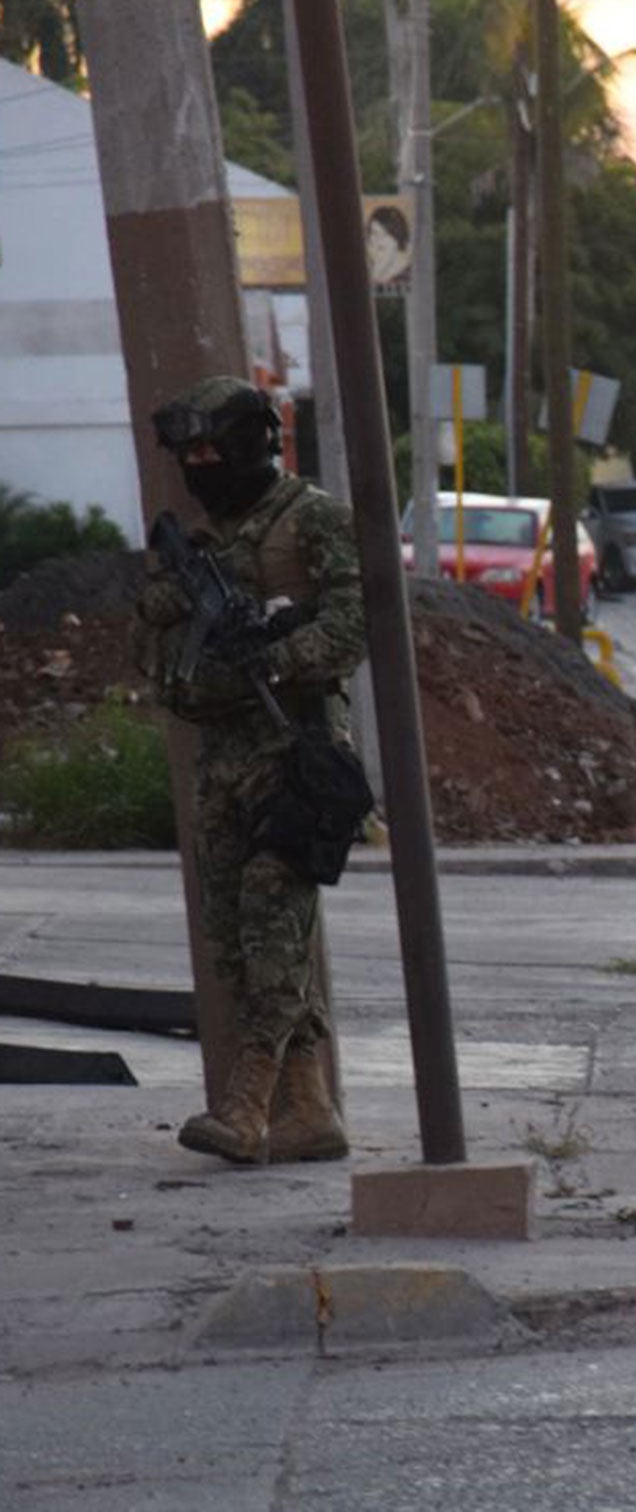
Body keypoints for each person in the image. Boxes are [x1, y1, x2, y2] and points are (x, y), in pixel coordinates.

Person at [132, 376, 369, 1165]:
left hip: (295, 747)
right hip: (223, 754)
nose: (200, 465)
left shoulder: (314, 519)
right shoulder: (199, 545)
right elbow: (155, 650)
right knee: (237, 940)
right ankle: (309, 1111)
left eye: (211, 450)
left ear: (251, 443)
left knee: (274, 917)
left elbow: (352, 623)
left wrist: (271, 652)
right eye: (188, 454)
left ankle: (247, 1105)